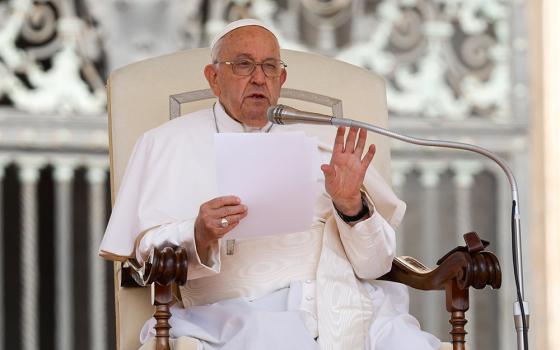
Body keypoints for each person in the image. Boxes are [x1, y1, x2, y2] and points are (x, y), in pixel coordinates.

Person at [99, 19, 441, 350]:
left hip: (348, 305)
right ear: (213, 78)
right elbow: (146, 251)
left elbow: (377, 265)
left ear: (282, 78)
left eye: (270, 67)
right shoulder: (168, 143)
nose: (259, 78)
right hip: (239, 313)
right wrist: (198, 233)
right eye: (244, 65)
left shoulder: (323, 141)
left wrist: (351, 206)